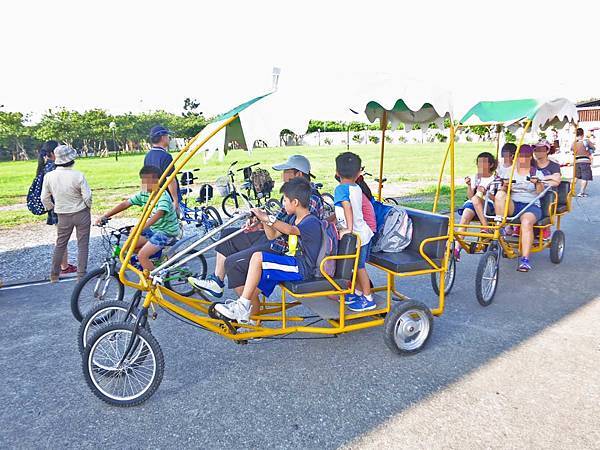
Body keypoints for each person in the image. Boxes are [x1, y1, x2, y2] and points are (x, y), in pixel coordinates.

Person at [188, 155, 324, 298]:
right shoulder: (291, 194)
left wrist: (267, 219)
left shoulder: (310, 198)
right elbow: (279, 222)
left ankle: (247, 310)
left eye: (286, 171)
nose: (282, 175)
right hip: (273, 238)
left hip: (282, 248)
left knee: (233, 263)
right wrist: (259, 223)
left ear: (299, 174)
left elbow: (293, 230)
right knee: (228, 235)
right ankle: (217, 280)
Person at [214, 178, 322, 323]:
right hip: (291, 262)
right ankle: (250, 321)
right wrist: (263, 220)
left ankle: (242, 306)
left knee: (258, 257)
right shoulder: (292, 219)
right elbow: (272, 235)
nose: (283, 204)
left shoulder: (311, 221)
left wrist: (268, 218)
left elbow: (290, 230)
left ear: (295, 202)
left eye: (285, 200)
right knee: (252, 285)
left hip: (301, 268)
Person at [96, 166, 179, 271]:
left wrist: (140, 228)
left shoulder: (163, 196)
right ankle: (154, 257)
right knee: (129, 246)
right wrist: (106, 215)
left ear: (158, 181)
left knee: (142, 256)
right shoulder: (145, 193)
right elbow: (126, 204)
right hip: (153, 229)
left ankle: (155, 282)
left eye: (147, 181)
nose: (144, 184)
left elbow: (159, 214)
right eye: (142, 180)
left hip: (166, 232)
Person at [40, 145, 92, 282]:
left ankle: (54, 275)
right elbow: (87, 196)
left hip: (62, 213)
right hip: (81, 212)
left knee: (60, 244)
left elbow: (44, 197)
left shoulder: (49, 176)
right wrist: (88, 207)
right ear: (71, 159)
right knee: (83, 244)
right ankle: (81, 276)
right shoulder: (78, 175)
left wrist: (52, 207)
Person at [334, 152, 375, 312]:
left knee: (359, 267)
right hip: (361, 232)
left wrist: (348, 229)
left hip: (358, 235)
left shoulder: (341, 189)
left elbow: (347, 207)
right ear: (359, 173)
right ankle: (358, 292)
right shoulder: (356, 187)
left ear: (337, 172)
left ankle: (367, 298)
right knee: (356, 265)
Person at [494, 145, 545, 272]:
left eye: (525, 157)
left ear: (529, 158)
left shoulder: (536, 173)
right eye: (519, 157)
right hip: (513, 204)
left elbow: (541, 193)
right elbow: (502, 191)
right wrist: (505, 186)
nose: (522, 159)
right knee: (500, 195)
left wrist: (538, 183)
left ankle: (525, 259)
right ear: (516, 157)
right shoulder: (509, 172)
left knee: (526, 223)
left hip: (531, 205)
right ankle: (499, 228)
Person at [36, 140, 77, 274]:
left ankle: (63, 265)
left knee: (61, 237)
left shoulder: (45, 167)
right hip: (59, 207)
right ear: (53, 153)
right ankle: (63, 267)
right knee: (62, 238)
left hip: (55, 208)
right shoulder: (53, 168)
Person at [454, 152, 497, 260]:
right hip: (473, 203)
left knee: (476, 199)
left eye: (484, 163)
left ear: (491, 165)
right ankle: (457, 248)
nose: (481, 165)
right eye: (479, 162)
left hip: (488, 205)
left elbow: (497, 199)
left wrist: (486, 192)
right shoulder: (475, 177)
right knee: (466, 214)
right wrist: (469, 185)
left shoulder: (495, 179)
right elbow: (470, 196)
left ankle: (485, 227)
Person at [144, 125, 180, 211]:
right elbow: (170, 179)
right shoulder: (166, 156)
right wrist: (175, 200)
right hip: (167, 197)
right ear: (163, 137)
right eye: (168, 136)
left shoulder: (147, 156)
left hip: (157, 197)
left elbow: (147, 180)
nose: (169, 138)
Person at [572, 128, 594, 197]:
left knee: (576, 176)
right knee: (585, 177)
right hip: (585, 161)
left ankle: (570, 190)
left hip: (577, 161)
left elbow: (572, 150)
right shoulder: (586, 141)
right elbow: (593, 148)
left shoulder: (574, 143)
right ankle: (581, 192)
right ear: (583, 134)